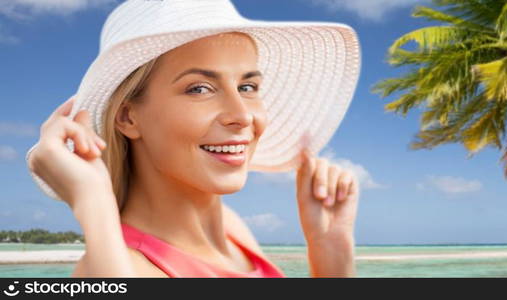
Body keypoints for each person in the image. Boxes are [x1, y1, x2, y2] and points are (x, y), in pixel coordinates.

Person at [25, 0, 361, 278]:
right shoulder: (112, 271)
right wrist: (91, 202)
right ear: (128, 117)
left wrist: (329, 248)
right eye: (199, 88)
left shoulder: (231, 231)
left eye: (247, 87)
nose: (242, 115)